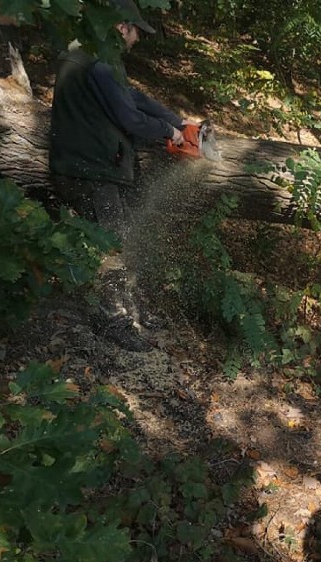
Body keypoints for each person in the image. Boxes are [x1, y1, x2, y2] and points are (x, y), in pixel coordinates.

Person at [49, 0, 196, 351]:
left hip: (88, 165)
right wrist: (169, 133)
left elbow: (131, 97)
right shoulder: (101, 62)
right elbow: (129, 118)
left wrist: (179, 121)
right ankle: (112, 319)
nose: (137, 41)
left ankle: (131, 308)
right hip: (90, 169)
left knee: (123, 236)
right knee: (112, 243)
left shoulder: (85, 53)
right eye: (135, 33)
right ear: (120, 27)